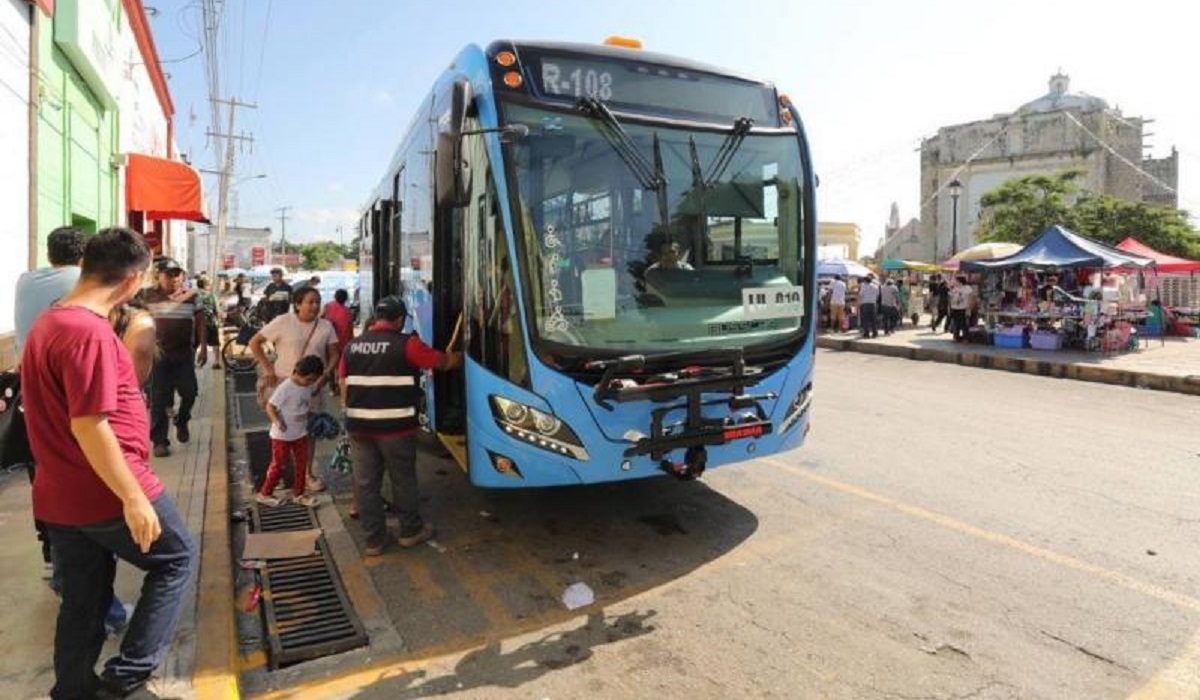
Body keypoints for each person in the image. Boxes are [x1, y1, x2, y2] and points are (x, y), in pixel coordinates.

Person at [20, 227, 196, 699]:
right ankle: (128, 675)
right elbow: (90, 425)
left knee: (84, 599)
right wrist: (134, 497)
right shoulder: (87, 332)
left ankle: (74, 689)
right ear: (134, 280)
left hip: (62, 496)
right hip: (106, 489)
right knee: (177, 559)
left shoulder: (50, 322)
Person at [339, 295, 462, 557]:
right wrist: (462, 358)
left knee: (366, 485)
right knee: (403, 480)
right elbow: (442, 362)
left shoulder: (352, 347)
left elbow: (344, 386)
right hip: (395, 429)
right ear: (399, 320)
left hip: (360, 428)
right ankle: (410, 531)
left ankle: (373, 540)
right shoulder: (408, 344)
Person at [249, 287, 340, 492]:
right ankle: (279, 472)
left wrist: (326, 374)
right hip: (283, 384)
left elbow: (335, 353)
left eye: (317, 302)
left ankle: (307, 474)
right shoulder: (283, 321)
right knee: (281, 431)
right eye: (310, 302)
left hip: (313, 387)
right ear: (297, 304)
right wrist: (268, 368)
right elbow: (255, 343)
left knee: (309, 432)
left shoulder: (326, 326)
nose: (315, 306)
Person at [142, 257, 207, 458]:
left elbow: (201, 322)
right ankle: (160, 441)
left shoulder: (191, 296)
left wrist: (203, 347)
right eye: (168, 274)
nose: (173, 278)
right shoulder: (147, 296)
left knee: (190, 392)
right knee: (158, 399)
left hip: (183, 355)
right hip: (158, 355)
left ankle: (182, 419)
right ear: (158, 276)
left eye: (177, 274)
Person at [257, 355, 326, 508]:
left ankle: (299, 493)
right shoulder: (286, 388)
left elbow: (312, 391)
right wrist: (277, 421)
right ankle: (265, 493)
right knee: (279, 464)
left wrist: (321, 382)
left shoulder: (308, 385)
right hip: (282, 435)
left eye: (312, 380)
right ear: (297, 373)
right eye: (309, 379)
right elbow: (270, 406)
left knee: (302, 464)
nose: (310, 383)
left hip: (300, 433)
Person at [14, 226, 86, 359]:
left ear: (48, 256)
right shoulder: (85, 280)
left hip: (24, 368)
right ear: (84, 257)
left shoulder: (24, 280)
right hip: (61, 371)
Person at [195, 276, 223, 369]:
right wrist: (219, 321)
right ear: (206, 285)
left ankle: (193, 362)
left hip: (196, 323)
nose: (210, 286)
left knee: (195, 343)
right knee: (215, 342)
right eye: (210, 284)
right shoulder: (212, 295)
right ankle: (216, 362)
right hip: (210, 322)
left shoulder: (194, 295)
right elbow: (217, 311)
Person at [949, 275, 974, 342]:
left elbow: (970, 298)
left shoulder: (967, 288)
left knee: (964, 324)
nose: (954, 282)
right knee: (955, 323)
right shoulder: (955, 288)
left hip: (963, 308)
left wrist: (969, 308)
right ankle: (956, 337)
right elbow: (951, 297)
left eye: (955, 280)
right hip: (954, 308)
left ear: (959, 281)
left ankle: (965, 338)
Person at [858, 274, 880, 339]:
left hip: (865, 304)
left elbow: (861, 295)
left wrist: (859, 302)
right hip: (873, 304)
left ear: (865, 281)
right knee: (873, 319)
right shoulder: (875, 286)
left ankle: (866, 334)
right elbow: (877, 295)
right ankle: (875, 333)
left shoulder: (863, 286)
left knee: (865, 320)